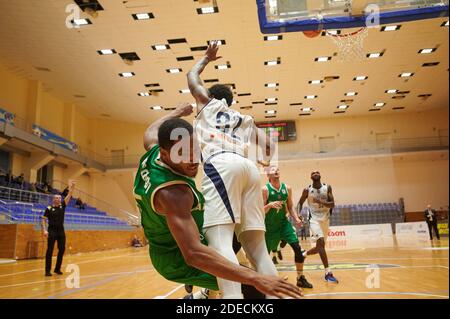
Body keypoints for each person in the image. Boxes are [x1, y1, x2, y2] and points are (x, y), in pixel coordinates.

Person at [133, 103, 301, 299]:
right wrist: (256, 278)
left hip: (185, 234)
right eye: (184, 154)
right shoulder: (174, 194)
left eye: (195, 149)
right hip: (177, 257)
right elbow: (194, 253)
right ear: (164, 154)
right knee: (252, 290)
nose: (194, 159)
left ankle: (202, 295)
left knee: (229, 240)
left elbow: (151, 132)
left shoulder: (155, 152)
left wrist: (178, 111)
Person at [188, 41, 285, 299]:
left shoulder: (208, 106)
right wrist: (264, 163)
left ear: (212, 98)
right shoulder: (245, 118)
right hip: (249, 169)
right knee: (257, 249)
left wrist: (207, 58)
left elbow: (191, 77)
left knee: (219, 243)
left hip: (221, 165)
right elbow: (269, 145)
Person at [263, 166, 313, 288]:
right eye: (272, 170)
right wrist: (269, 205)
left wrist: (296, 219)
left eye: (277, 170)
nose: (275, 171)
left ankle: (300, 278)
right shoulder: (264, 189)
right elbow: (259, 211)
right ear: (267, 175)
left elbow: (290, 206)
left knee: (297, 249)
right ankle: (266, 281)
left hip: (284, 224)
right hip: (269, 227)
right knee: (265, 256)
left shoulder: (287, 188)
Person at [298, 171, 338, 283]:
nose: (315, 173)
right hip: (314, 220)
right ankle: (328, 273)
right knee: (320, 244)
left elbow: (332, 204)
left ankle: (303, 254)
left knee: (320, 247)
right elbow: (300, 203)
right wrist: (298, 214)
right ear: (310, 177)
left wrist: (320, 201)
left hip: (325, 220)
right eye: (313, 173)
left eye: (317, 172)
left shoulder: (327, 187)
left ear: (320, 176)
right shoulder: (307, 190)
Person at [41, 180, 75, 276]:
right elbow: (43, 220)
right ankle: (47, 270)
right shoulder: (48, 208)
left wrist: (71, 187)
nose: (58, 199)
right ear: (53, 199)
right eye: (57, 198)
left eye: (60, 198)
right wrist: (44, 230)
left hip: (61, 231)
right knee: (50, 250)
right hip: (51, 231)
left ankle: (57, 269)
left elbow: (69, 195)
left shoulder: (62, 206)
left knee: (62, 249)